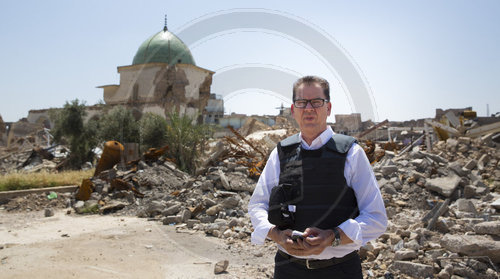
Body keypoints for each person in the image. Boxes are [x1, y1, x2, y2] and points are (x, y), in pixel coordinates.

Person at [248, 76, 387, 279]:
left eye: (316, 102)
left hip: (340, 270)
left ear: (328, 108)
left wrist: (334, 237)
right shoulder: (281, 154)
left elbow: (377, 218)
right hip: (288, 270)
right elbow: (257, 206)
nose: (309, 108)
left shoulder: (351, 153)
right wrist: (276, 235)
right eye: (302, 103)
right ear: (293, 110)